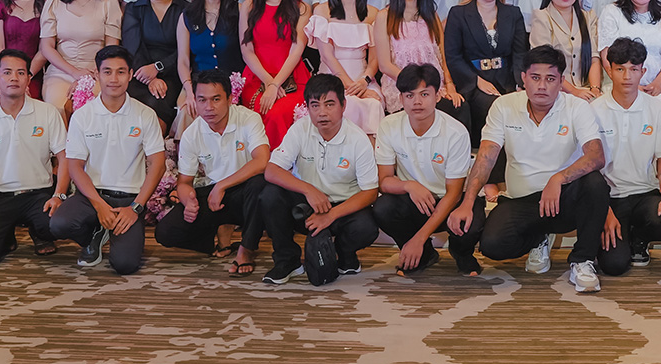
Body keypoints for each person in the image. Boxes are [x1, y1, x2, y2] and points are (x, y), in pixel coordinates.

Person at [448, 46, 610, 291]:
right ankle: (539, 239)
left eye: (550, 79)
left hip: (563, 198)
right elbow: (486, 158)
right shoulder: (503, 106)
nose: (542, 86)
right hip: (522, 200)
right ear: (523, 78)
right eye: (535, 78)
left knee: (595, 183)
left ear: (561, 82)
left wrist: (558, 178)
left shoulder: (576, 107)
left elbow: (596, 156)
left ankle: (582, 260)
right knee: (493, 246)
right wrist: (467, 202)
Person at [51, 47, 168, 273]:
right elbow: (75, 166)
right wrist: (99, 205)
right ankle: (93, 236)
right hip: (91, 196)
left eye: (121, 72)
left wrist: (135, 207)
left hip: (130, 199)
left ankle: (113, 232)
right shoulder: (83, 116)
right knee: (59, 224)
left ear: (130, 74)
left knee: (125, 265)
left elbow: (158, 164)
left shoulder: (145, 114)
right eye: (107, 72)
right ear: (97, 75)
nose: (114, 79)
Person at [260, 73, 382, 284]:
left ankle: (344, 254)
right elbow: (271, 170)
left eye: (329, 104)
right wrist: (309, 190)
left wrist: (331, 215)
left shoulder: (358, 140)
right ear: (307, 108)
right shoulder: (300, 129)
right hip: (307, 204)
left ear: (343, 106)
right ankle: (287, 260)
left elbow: (370, 192)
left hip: (342, 207)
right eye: (315, 105)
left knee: (366, 227)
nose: (322, 112)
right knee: (270, 195)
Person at [0, 48, 68, 267]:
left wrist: (59, 196)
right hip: (0, 196)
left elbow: (65, 158)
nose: (14, 78)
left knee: (63, 225)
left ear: (29, 78)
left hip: (39, 194)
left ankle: (39, 232)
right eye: (7, 72)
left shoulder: (47, 112)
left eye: (21, 73)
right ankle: (6, 233)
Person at [158, 68, 267, 276]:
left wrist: (222, 185)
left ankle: (246, 249)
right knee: (166, 232)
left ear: (230, 99)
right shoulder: (192, 134)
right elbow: (184, 182)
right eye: (202, 100)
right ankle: (217, 237)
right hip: (215, 198)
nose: (209, 107)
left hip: (247, 194)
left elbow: (262, 161)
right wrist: (188, 201)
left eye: (216, 99)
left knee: (260, 185)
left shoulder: (248, 119)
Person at [372, 63, 474, 276]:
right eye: (409, 95)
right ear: (401, 99)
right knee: (383, 207)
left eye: (424, 94)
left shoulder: (455, 132)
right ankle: (424, 254)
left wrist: (419, 237)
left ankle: (462, 254)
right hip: (415, 201)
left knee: (471, 223)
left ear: (437, 96)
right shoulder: (389, 125)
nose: (417, 102)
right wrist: (409, 186)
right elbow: (384, 181)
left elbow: (454, 193)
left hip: (449, 201)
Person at [591, 38, 661, 276]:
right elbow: (590, 171)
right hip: (609, 198)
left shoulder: (658, 109)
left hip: (644, 193)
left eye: (633, 69)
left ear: (643, 71)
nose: (627, 76)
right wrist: (603, 211)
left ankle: (639, 238)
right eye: (620, 69)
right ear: (609, 71)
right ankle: (619, 237)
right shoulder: (593, 111)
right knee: (614, 266)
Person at [444, 0, 529, 143]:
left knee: (521, 106)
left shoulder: (513, 13)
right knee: (496, 109)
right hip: (473, 83)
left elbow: (520, 54)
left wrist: (520, 83)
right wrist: (476, 81)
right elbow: (453, 57)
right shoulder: (458, 13)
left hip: (507, 80)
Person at [38, 0, 123, 119]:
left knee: (94, 108)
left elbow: (111, 48)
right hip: (61, 70)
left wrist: (88, 76)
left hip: (97, 70)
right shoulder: (54, 2)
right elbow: (46, 47)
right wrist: (75, 72)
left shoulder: (109, 4)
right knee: (57, 108)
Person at [309, 0, 385, 137]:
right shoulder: (322, 11)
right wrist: (353, 88)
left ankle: (371, 155)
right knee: (348, 103)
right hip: (330, 78)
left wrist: (364, 82)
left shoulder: (373, 14)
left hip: (363, 79)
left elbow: (374, 59)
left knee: (374, 103)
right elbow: (327, 56)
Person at [240, 0, 311, 145]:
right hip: (257, 77)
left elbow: (297, 50)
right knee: (261, 110)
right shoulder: (248, 7)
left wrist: (275, 84)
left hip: (292, 79)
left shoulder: (302, 8)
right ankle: (260, 159)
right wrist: (268, 82)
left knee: (277, 113)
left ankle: (278, 161)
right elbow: (246, 50)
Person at [379, 0, 461, 116]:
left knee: (459, 108)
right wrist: (417, 85)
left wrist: (450, 84)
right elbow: (384, 65)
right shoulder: (385, 17)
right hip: (403, 88)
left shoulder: (431, 15)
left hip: (435, 88)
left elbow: (443, 56)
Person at [122, 0, 183, 132]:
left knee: (156, 106)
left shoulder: (185, 10)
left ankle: (154, 148)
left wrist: (158, 68)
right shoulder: (134, 8)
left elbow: (185, 50)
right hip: (139, 72)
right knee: (127, 107)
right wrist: (149, 77)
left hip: (172, 73)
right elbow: (132, 47)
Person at [530, 0, 596, 100]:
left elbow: (594, 58)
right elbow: (544, 63)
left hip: (586, 89)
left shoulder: (588, 17)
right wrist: (574, 91)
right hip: (554, 91)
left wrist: (595, 89)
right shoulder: (542, 18)